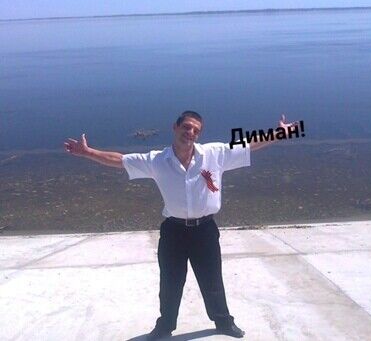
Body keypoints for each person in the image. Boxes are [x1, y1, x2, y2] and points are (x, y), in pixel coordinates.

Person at [64, 111, 298, 339]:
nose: (191, 132)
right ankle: (165, 326)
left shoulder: (214, 153)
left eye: (196, 130)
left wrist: (280, 133)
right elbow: (120, 160)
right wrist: (87, 152)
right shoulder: (157, 160)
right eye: (186, 127)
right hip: (173, 232)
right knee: (170, 282)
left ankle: (224, 322)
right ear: (175, 127)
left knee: (212, 280)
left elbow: (248, 143)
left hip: (205, 230)